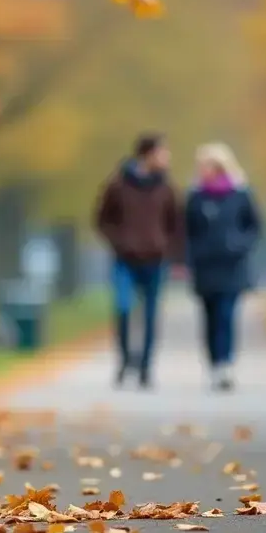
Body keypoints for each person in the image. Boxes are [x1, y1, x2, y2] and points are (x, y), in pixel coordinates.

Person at [93, 132, 182, 389]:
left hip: (155, 260)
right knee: (123, 307)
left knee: (151, 314)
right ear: (148, 154)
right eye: (163, 152)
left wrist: (170, 251)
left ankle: (145, 366)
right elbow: (102, 220)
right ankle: (124, 359)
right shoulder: (118, 185)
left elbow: (175, 224)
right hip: (125, 259)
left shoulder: (167, 188)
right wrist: (118, 241)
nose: (167, 158)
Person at [184, 143, 262, 392]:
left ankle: (226, 364)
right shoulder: (195, 197)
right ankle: (214, 362)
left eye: (208, 165)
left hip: (232, 265)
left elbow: (254, 226)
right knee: (209, 317)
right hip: (205, 266)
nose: (203, 170)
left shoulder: (240, 194)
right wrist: (191, 254)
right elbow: (187, 230)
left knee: (227, 315)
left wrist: (239, 244)